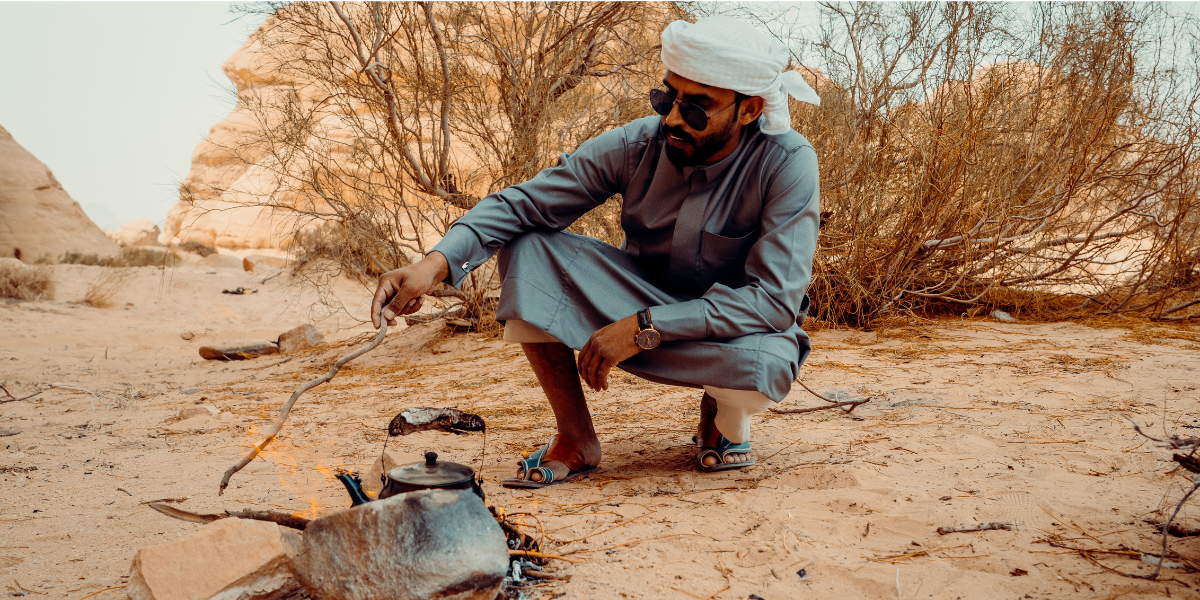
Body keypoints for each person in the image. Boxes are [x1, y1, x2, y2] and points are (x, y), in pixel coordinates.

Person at [371, 16, 821, 488]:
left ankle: (724, 419)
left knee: (765, 369)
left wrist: (647, 327)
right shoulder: (639, 142)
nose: (670, 118)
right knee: (528, 248)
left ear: (748, 110)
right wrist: (434, 264)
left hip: (730, 323)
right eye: (667, 97)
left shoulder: (787, 163)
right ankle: (576, 438)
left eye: (696, 108)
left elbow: (772, 300)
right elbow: (524, 203)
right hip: (636, 292)